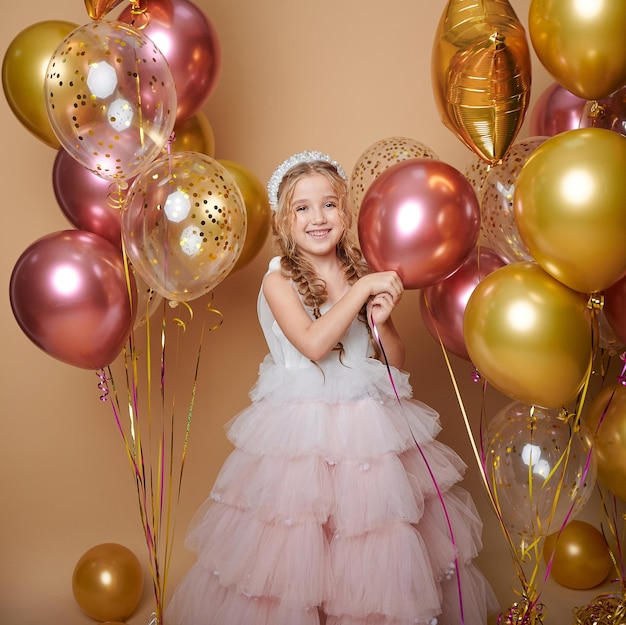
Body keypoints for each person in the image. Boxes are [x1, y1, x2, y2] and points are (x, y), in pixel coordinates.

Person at [165, 150, 498, 625]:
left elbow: (393, 362)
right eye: (302, 207)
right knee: (298, 544)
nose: (318, 218)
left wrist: (382, 322)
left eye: (329, 205)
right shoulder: (279, 281)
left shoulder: (358, 271)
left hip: (366, 426)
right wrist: (362, 293)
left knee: (367, 538)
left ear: (345, 212)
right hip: (300, 430)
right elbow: (315, 344)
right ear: (285, 219)